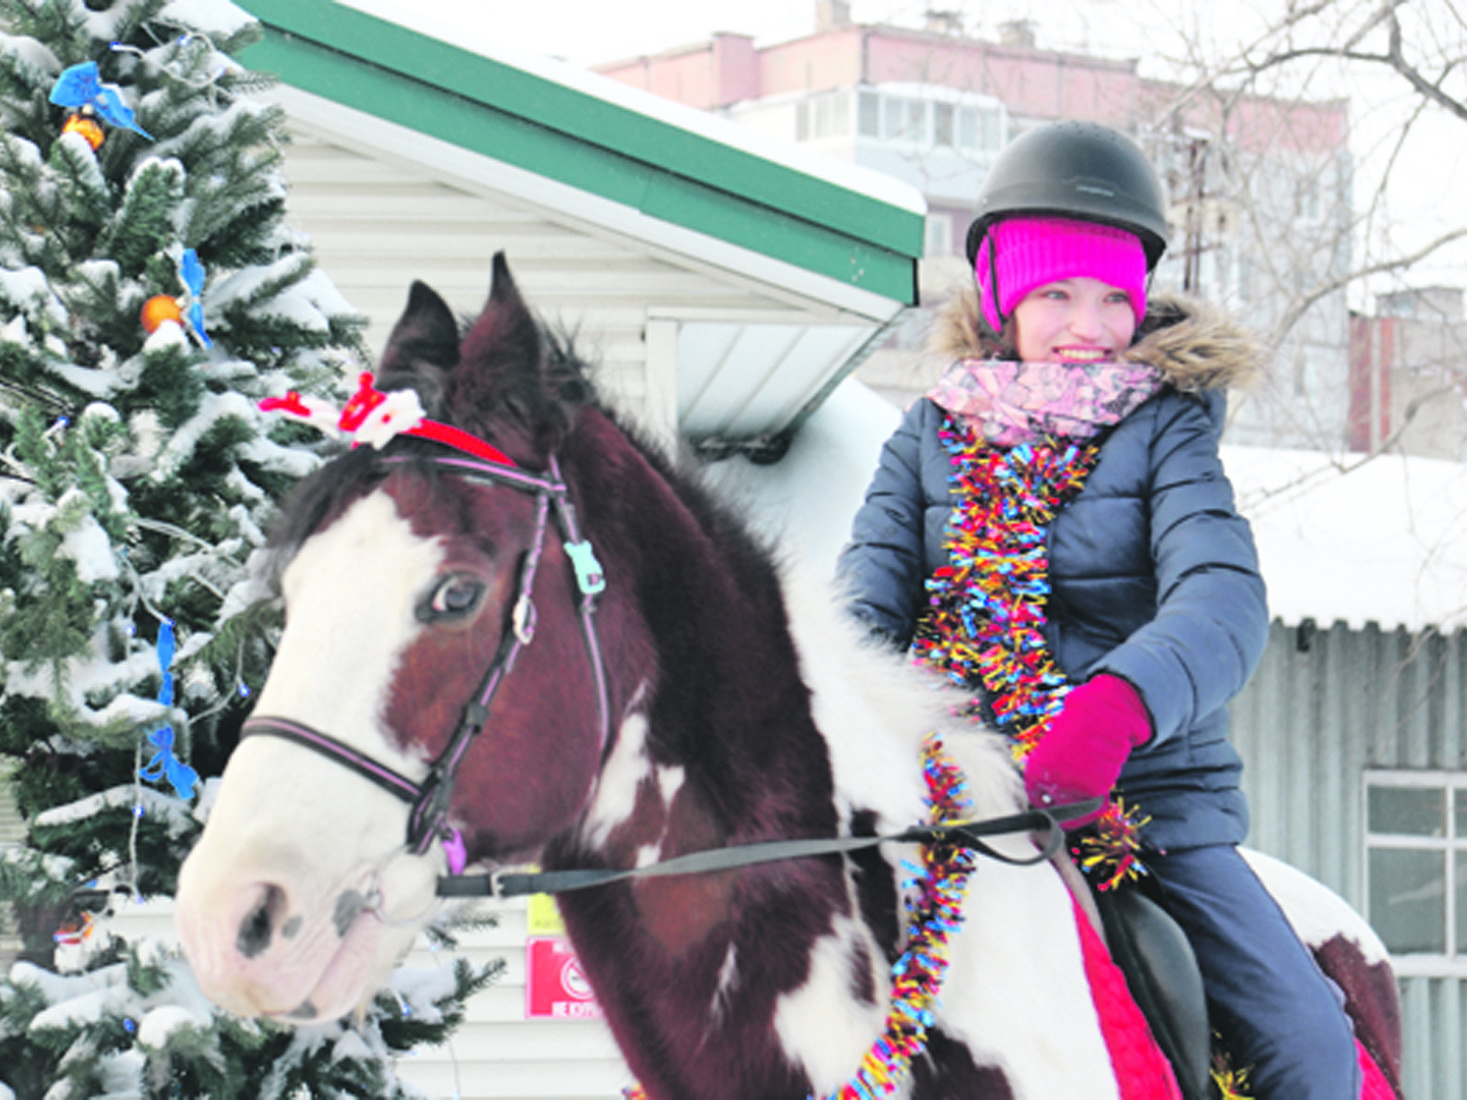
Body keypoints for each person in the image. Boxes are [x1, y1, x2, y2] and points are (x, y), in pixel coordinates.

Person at [838, 121, 1359, 1099]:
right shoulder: (926, 439)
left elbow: (1221, 596)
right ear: (1002, 302)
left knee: (1308, 1044)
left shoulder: (1168, 429)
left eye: (1113, 296)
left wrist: (1111, 711)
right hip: (954, 796)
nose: (1088, 323)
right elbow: (864, 608)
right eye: (1055, 293)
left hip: (1139, 798)